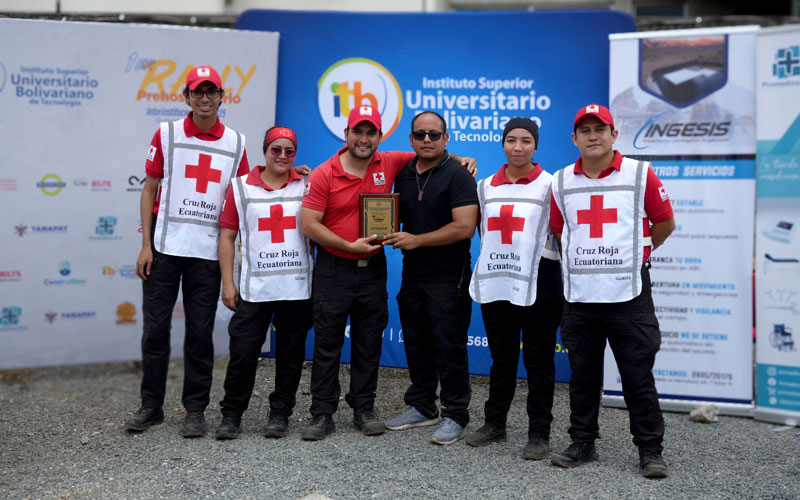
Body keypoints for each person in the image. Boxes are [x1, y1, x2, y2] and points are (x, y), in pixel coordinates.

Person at [299, 106, 475, 441]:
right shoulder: (328, 172)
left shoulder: (398, 163)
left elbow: (461, 215)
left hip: (393, 272)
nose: (364, 139)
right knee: (328, 346)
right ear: (346, 134)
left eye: (371, 133)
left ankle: (366, 408)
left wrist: (464, 159)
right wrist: (349, 246)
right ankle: (323, 414)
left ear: (380, 137)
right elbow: (308, 224)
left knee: (371, 344)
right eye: (358, 132)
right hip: (337, 270)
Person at [549, 104, 675, 478]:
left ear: (613, 134)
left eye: (600, 129)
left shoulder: (641, 173)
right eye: (584, 130)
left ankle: (650, 450)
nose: (593, 135)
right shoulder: (560, 181)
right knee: (583, 377)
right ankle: (582, 443)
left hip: (629, 296)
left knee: (637, 377)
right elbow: (559, 231)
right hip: (580, 298)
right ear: (574, 139)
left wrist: (641, 253)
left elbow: (665, 223)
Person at [125, 66, 250, 437]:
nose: (206, 98)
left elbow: (245, 195)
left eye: (212, 92)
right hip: (163, 249)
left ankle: (195, 410)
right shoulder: (168, 133)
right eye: (199, 92)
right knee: (155, 332)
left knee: (199, 335)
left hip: (208, 256)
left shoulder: (237, 143)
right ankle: (152, 406)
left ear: (222, 97)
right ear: (187, 96)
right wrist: (145, 245)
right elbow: (149, 190)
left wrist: (292, 176)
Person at [463, 118, 564, 459]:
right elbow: (484, 234)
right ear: (502, 144)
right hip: (498, 282)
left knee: (539, 361)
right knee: (501, 358)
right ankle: (495, 424)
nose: (518, 147)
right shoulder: (485, 186)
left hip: (541, 284)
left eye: (525, 141)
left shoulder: (551, 185)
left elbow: (560, 234)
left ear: (535, 146)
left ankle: (539, 434)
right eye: (511, 140)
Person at [382, 111, 479, 445]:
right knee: (416, 343)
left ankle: (456, 414)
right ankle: (423, 407)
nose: (427, 140)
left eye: (434, 135)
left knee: (449, 347)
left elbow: (465, 227)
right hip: (414, 274)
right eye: (420, 135)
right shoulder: (405, 173)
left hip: (448, 277)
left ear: (446, 138)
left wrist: (417, 240)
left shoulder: (459, 174)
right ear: (410, 139)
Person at [214, 126, 313, 440]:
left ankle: (280, 412)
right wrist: (227, 283)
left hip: (296, 289)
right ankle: (231, 414)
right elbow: (227, 237)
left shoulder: (307, 186)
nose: (282, 156)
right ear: (265, 151)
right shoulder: (240, 188)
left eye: (289, 151)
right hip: (254, 290)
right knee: (243, 352)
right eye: (276, 150)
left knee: (290, 353)